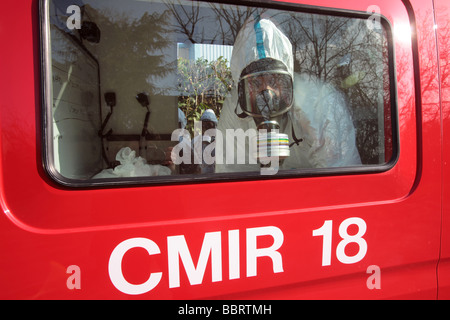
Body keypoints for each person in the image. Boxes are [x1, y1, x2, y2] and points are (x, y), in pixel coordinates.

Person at [215, 15, 361, 173]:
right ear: (243, 88)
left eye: (274, 80)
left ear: (288, 81)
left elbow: (339, 178)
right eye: (256, 83)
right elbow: (230, 176)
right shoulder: (235, 110)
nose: (267, 93)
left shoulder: (319, 102)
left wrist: (311, 131)